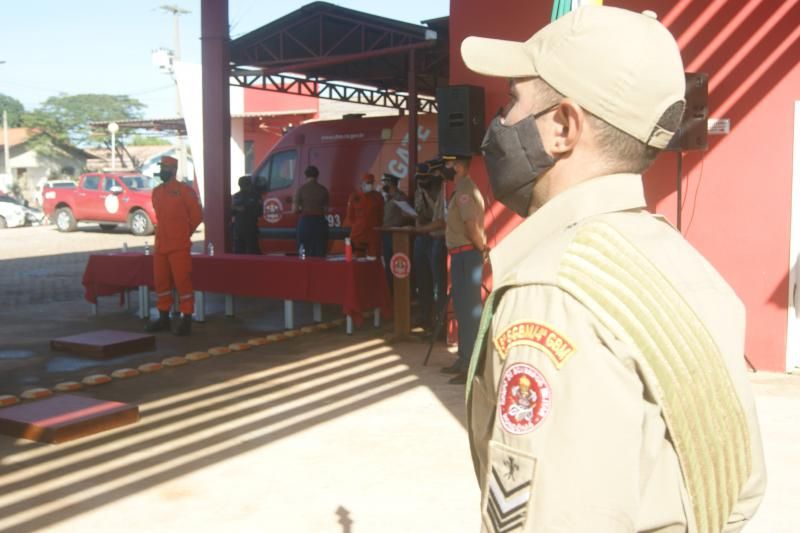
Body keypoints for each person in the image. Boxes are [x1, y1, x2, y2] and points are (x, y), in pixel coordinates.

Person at [460, 6, 766, 532]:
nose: (500, 122)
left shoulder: (552, 293)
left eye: (512, 101)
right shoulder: (678, 259)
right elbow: (740, 487)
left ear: (562, 126)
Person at [441, 153, 487, 384]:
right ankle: (464, 357)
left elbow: (471, 225)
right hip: (460, 255)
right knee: (461, 308)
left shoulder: (466, 190)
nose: (446, 168)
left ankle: (472, 364)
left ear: (459, 167)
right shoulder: (460, 189)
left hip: (468, 254)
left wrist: (482, 248)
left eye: (449, 164)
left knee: (469, 311)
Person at [146, 156, 203, 336]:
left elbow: (197, 216)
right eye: (161, 167)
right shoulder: (156, 192)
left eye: (164, 167)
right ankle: (164, 318)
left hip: (179, 245)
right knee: (160, 282)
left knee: (183, 282)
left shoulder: (185, 191)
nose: (161, 171)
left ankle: (186, 319)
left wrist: (184, 233)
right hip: (161, 245)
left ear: (173, 169)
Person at [412, 159, 447, 329]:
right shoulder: (421, 189)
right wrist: (419, 225)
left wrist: (420, 229)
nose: (422, 182)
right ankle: (425, 316)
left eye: (425, 178)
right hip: (424, 237)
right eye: (419, 179)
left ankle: (440, 322)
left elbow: (441, 222)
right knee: (422, 280)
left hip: (440, 239)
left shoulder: (444, 190)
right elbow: (419, 213)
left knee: (438, 283)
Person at [380, 173, 415, 287]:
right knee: (388, 264)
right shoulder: (386, 197)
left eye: (386, 182)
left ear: (392, 183)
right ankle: (390, 290)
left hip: (397, 235)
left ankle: (401, 289)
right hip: (386, 234)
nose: (384, 185)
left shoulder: (400, 197)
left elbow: (408, 214)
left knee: (398, 264)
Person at [344, 173, 384, 258]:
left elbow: (381, 214)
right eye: (368, 182)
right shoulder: (354, 196)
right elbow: (350, 216)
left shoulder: (378, 196)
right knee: (358, 259)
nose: (370, 185)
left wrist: (376, 226)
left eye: (372, 183)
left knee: (374, 259)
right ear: (361, 183)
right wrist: (358, 225)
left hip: (373, 234)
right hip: (358, 234)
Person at [293, 165, 329, 257]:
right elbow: (326, 210)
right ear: (317, 176)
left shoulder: (301, 190)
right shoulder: (323, 190)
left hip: (305, 223)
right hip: (319, 223)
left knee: (304, 253)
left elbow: (294, 210)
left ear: (306, 176)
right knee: (319, 252)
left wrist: (302, 209)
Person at [231, 175, 262, 255]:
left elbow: (259, 212)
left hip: (244, 229)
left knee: (244, 252)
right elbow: (259, 212)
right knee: (250, 252)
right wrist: (239, 208)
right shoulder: (254, 196)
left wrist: (239, 208)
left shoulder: (237, 197)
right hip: (246, 229)